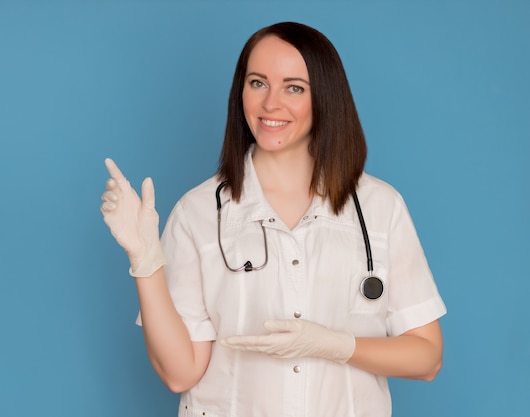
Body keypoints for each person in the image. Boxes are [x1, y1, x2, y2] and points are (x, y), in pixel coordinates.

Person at [100, 21, 446, 417]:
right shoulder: (197, 213)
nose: (270, 104)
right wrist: (145, 261)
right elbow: (180, 374)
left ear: (325, 98)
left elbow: (427, 357)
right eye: (258, 83)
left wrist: (336, 345)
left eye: (294, 87)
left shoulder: (380, 208)